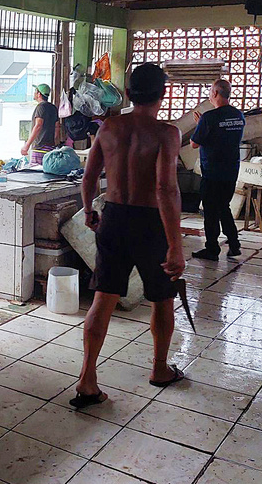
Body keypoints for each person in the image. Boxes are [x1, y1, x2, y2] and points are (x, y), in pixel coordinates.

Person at [71, 63, 186, 409]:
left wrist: (90, 210)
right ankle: (160, 369)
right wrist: (176, 245)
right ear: (162, 93)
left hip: (115, 218)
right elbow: (166, 189)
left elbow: (88, 177)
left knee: (103, 299)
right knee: (162, 298)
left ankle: (87, 380)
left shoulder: (109, 127)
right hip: (151, 223)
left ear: (130, 92)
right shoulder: (167, 134)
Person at [190, 79, 244, 260]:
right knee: (223, 207)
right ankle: (234, 243)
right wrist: (203, 125)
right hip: (231, 170)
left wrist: (200, 125)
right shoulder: (238, 116)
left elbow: (194, 143)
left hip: (212, 171)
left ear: (214, 93)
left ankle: (212, 248)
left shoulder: (209, 117)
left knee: (211, 211)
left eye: (210, 91)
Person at [20, 83, 58, 164]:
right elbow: (57, 127)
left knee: (36, 173)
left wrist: (27, 145)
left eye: (35, 91)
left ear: (39, 94)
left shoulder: (41, 107)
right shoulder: (53, 107)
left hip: (39, 147)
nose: (34, 93)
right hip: (50, 147)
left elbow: (38, 125)